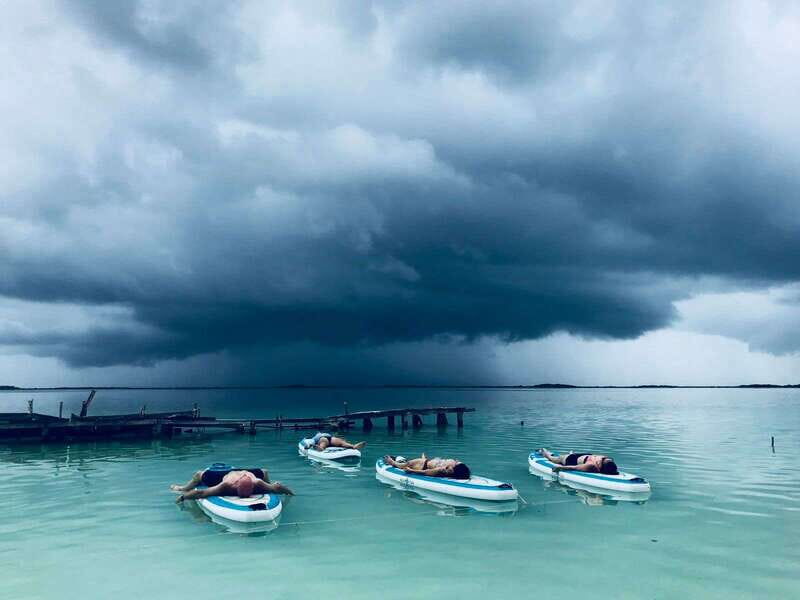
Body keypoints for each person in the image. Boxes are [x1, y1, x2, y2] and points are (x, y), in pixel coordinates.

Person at [170, 466, 294, 503]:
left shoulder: (258, 483)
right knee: (198, 475)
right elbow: (201, 493)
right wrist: (183, 496)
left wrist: (291, 494)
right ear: (236, 487)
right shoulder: (226, 485)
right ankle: (182, 487)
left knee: (264, 471)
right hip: (225, 475)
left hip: (248, 473)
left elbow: (277, 487)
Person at [383, 453, 471, 479]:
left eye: (457, 463)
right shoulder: (453, 465)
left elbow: (425, 472)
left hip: (422, 465)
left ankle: (393, 463)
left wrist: (411, 471)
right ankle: (396, 463)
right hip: (426, 462)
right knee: (408, 463)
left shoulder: (441, 469)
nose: (457, 461)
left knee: (406, 464)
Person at [538, 448, 619, 475]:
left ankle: (572, 453)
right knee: (553, 459)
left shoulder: (609, 460)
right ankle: (544, 452)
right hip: (570, 459)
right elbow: (574, 467)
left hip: (586, 456)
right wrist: (559, 468)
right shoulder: (591, 466)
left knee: (575, 456)